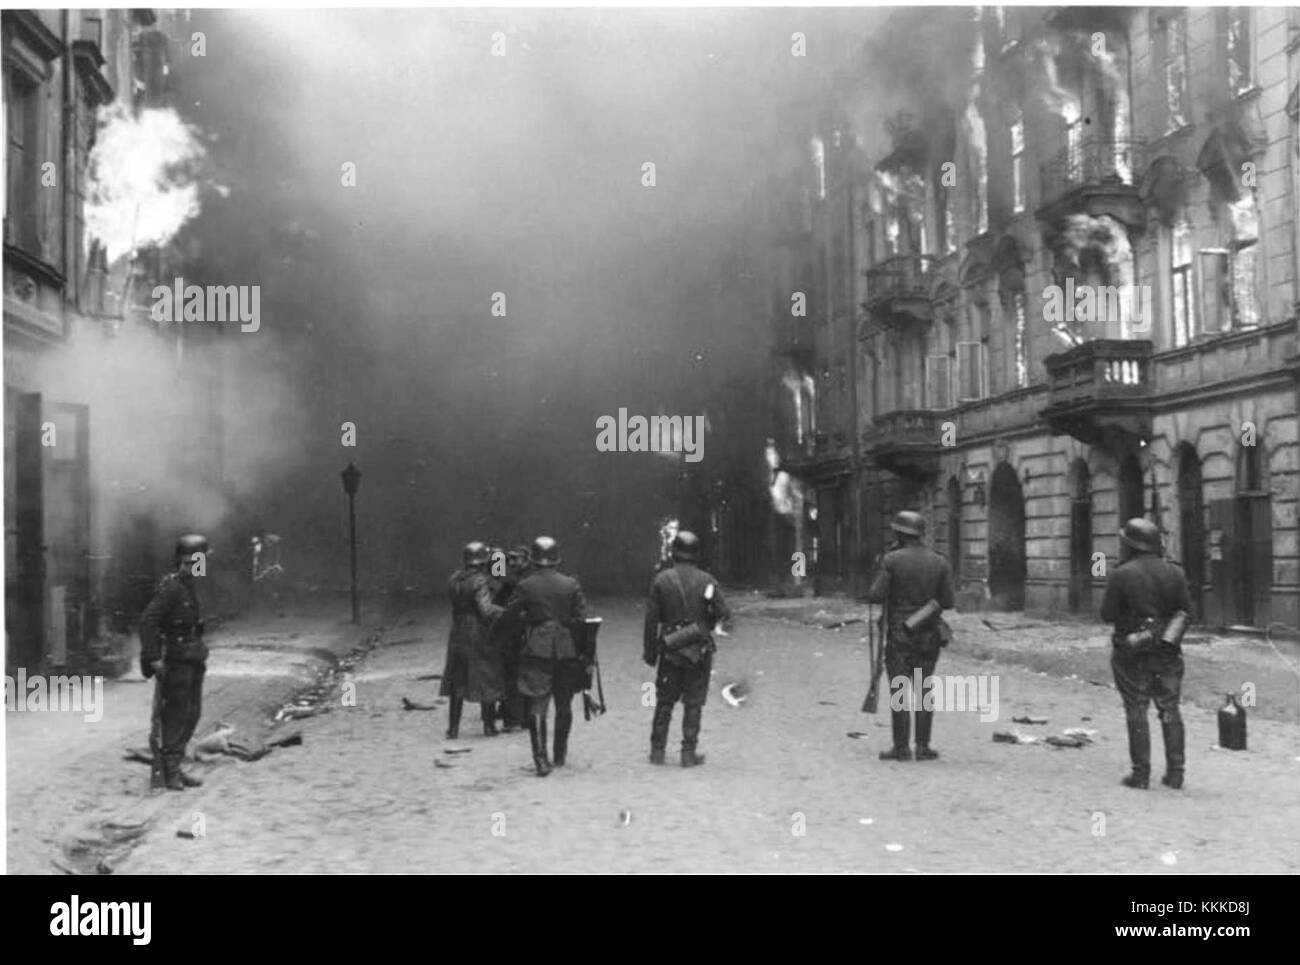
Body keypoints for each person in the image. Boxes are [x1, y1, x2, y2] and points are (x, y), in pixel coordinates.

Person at [1100, 518, 1193, 790]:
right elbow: (1187, 613)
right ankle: (1176, 773)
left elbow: (1107, 614)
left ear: (1130, 545)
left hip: (1132, 652)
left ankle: (1141, 775)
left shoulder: (1122, 574)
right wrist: (1165, 637)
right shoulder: (1175, 572)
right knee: (1170, 709)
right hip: (1168, 650)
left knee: (1136, 708)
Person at [866, 511, 955, 762]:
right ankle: (924, 747)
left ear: (899, 533)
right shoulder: (940, 561)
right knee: (924, 689)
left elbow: (875, 594)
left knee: (899, 691)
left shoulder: (892, 560)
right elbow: (948, 601)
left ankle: (901, 748)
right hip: (928, 635)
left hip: (899, 635)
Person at [501, 536, 587, 776]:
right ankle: (560, 755)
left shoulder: (525, 585)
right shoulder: (571, 584)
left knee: (537, 704)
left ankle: (541, 760)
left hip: (537, 649)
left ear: (534, 560)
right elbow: (581, 619)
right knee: (564, 704)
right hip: (566, 650)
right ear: (557, 559)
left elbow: (510, 615)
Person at [643, 530, 729, 767]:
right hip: (698, 651)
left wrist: (650, 652)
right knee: (694, 702)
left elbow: (651, 620)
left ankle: (657, 751)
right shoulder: (707, 581)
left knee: (664, 701)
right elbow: (724, 613)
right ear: (696, 554)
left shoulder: (661, 580)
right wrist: (707, 622)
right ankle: (688, 753)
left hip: (670, 650)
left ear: (674, 553)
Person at [139, 534, 211, 791]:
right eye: (187, 563)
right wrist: (154, 658)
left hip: (193, 658)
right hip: (177, 661)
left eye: (196, 562)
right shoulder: (172, 588)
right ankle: (169, 771)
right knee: (176, 716)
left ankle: (176, 765)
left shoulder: (190, 586)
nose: (191, 567)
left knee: (192, 713)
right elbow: (147, 621)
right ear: (178, 562)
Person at [441, 542, 504, 738]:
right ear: (482, 561)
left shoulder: (454, 579)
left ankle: (453, 728)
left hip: (457, 629)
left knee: (457, 679)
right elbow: (485, 610)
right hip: (477, 630)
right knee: (487, 673)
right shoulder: (479, 581)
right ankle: (489, 725)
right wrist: (504, 612)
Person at [492, 545, 531, 733]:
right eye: (511, 559)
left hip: (516, 631)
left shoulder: (520, 580)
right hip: (522, 631)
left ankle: (514, 718)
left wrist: (498, 557)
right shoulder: (526, 576)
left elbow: (498, 580)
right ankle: (523, 716)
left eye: (517, 559)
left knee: (512, 675)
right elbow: (498, 579)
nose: (513, 563)